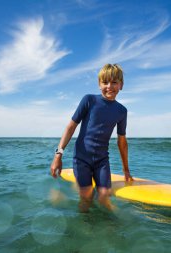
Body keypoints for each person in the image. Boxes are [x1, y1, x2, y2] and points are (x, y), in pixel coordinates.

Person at [50, 63, 133, 212]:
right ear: (99, 84)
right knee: (86, 196)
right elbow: (70, 127)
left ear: (121, 85)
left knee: (104, 195)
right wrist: (58, 155)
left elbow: (122, 142)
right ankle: (85, 225)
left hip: (102, 160)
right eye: (105, 82)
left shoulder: (121, 111)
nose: (109, 86)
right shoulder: (89, 100)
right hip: (82, 158)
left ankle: (108, 223)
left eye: (114, 82)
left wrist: (126, 170)